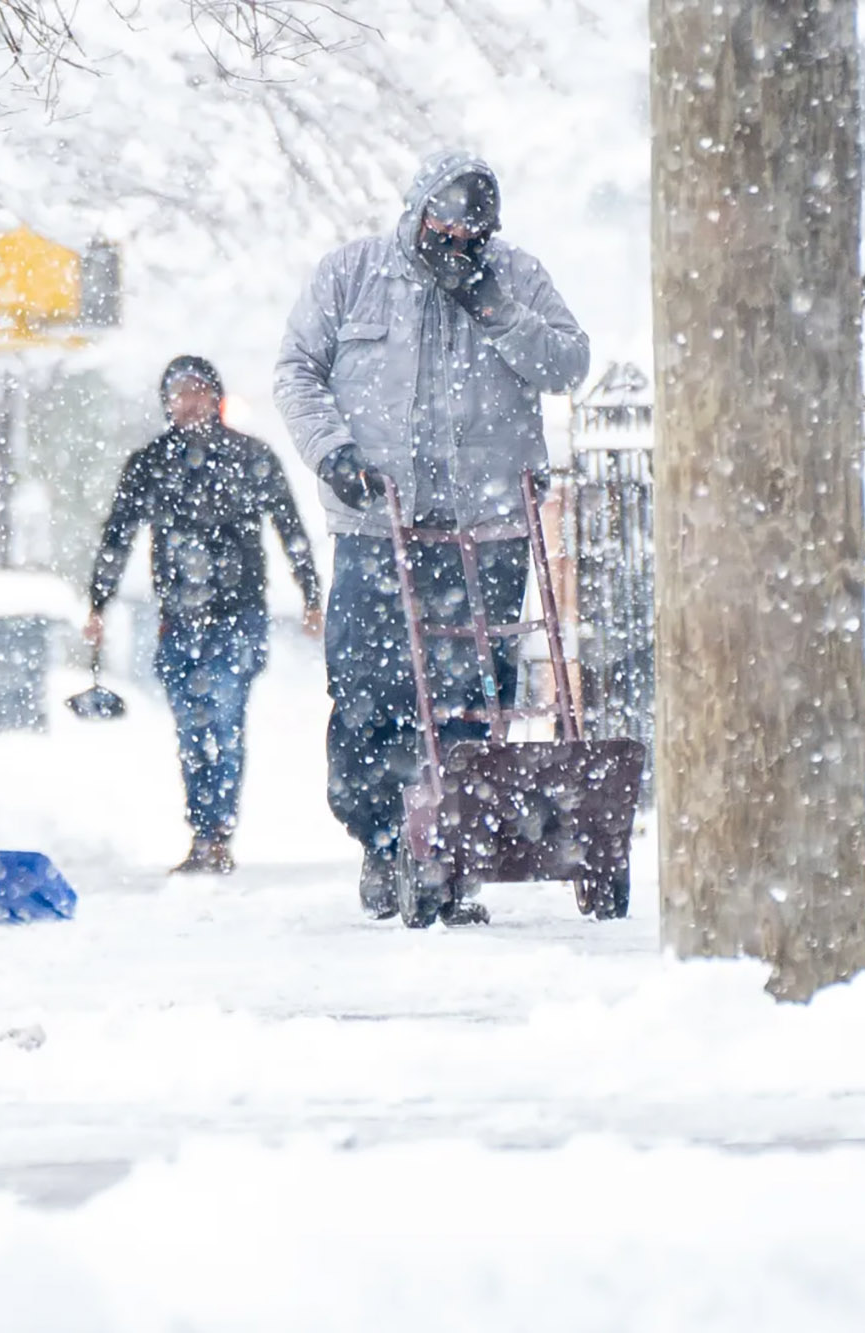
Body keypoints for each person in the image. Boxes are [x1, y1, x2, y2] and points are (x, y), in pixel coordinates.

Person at [273, 149, 590, 924]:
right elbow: (295, 371)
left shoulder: (514, 278)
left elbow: (568, 362)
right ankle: (385, 839)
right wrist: (333, 452)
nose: (454, 242)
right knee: (366, 693)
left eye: (471, 233)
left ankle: (453, 851)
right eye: (442, 224)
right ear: (417, 209)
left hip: (486, 528)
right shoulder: (351, 275)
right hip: (378, 525)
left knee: (471, 699)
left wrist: (495, 308)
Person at [85, 355, 324, 875]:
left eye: (197, 391)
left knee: (225, 717)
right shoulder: (150, 464)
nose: (189, 402)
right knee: (192, 730)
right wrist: (98, 601)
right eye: (179, 393)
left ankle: (217, 832)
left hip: (240, 616)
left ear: (216, 397)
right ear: (166, 401)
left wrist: (311, 592)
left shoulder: (250, 457)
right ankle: (204, 831)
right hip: (177, 619)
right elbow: (118, 535)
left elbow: (291, 527)